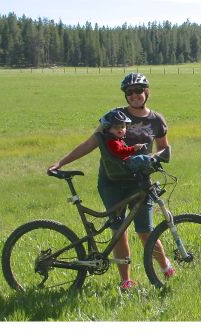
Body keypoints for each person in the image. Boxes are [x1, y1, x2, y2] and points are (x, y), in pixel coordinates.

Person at [47, 73, 173, 290]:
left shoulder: (156, 120)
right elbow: (91, 143)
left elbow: (163, 147)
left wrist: (155, 157)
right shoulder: (114, 117)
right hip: (112, 182)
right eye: (129, 92)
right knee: (119, 231)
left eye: (138, 91)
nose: (134, 95)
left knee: (146, 231)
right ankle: (126, 281)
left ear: (147, 92)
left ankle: (166, 269)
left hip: (140, 182)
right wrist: (62, 162)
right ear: (125, 96)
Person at [99, 109, 156, 173]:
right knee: (140, 159)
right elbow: (120, 152)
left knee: (141, 157)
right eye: (116, 127)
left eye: (123, 126)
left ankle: (152, 163)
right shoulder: (112, 142)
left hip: (125, 162)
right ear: (107, 129)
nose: (120, 129)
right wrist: (133, 148)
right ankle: (153, 164)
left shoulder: (117, 140)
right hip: (123, 165)